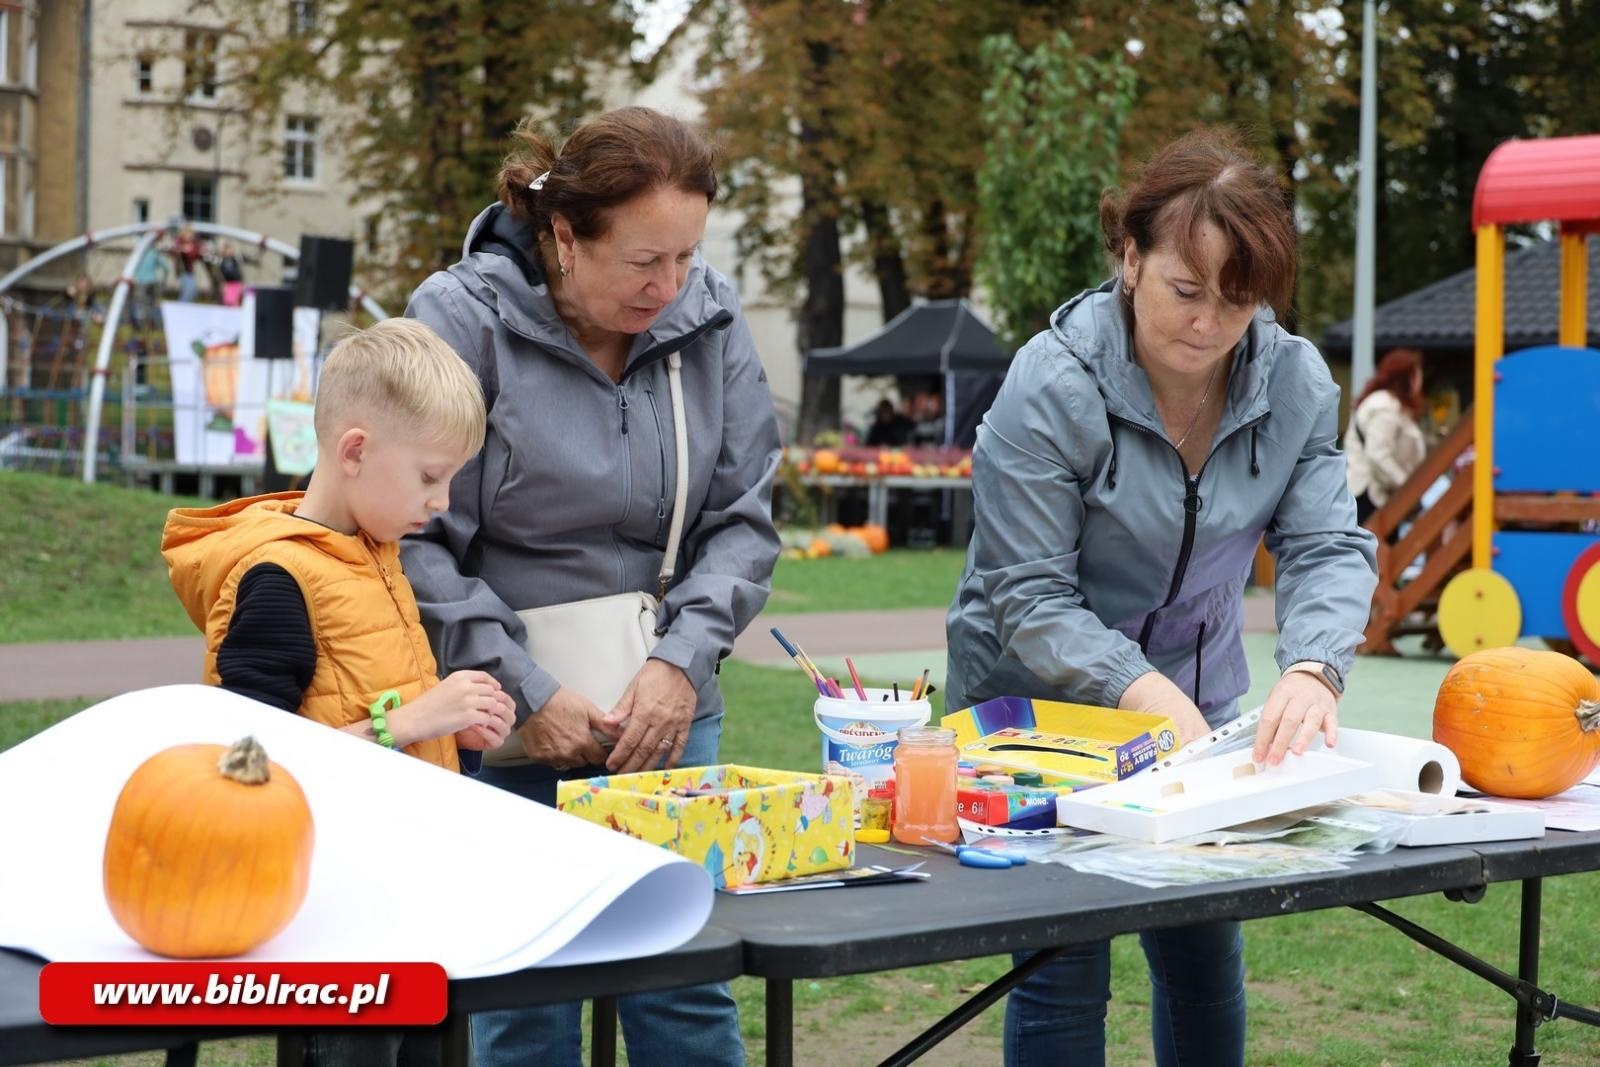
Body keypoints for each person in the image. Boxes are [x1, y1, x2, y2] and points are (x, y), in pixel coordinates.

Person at [944, 128, 1378, 1067]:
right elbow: (1025, 591)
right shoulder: (1049, 382)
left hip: (1196, 697)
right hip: (1039, 706)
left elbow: (1326, 544)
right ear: (1130, 257)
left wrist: (1315, 664)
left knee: (1201, 949)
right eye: (1186, 290)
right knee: (1064, 966)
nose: (1208, 324)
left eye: (1239, 299)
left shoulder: (1295, 378)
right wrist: (1139, 691)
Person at [401, 106, 781, 1067]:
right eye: (644, 261)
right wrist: (526, 686)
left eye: (687, 256)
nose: (671, 285)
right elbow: (415, 538)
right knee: (527, 1008)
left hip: (667, 705)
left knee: (684, 996)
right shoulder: (458, 320)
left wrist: (681, 664)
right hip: (502, 712)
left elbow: (741, 521)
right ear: (564, 237)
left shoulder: (713, 316)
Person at [161, 319, 518, 1063]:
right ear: (355, 451)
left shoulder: (375, 556)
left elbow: (368, 710)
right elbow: (245, 767)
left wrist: (458, 736)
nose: (445, 500)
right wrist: (415, 719)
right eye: (429, 476)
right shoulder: (276, 580)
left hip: (406, 888)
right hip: (337, 914)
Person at [1345, 347, 1428, 526]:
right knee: (1377, 550)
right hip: (1370, 496)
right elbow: (1378, 454)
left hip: (1376, 495)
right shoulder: (1385, 407)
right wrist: (1406, 486)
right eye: (1417, 374)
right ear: (1406, 377)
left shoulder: (1388, 405)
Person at [216, 242, 245, 306]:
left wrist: (241, 284)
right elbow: (220, 274)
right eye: (227, 250)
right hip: (228, 284)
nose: (229, 252)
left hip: (236, 284)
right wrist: (222, 283)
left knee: (236, 303)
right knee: (227, 302)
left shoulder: (235, 260)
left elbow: (239, 273)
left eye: (230, 250)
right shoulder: (221, 261)